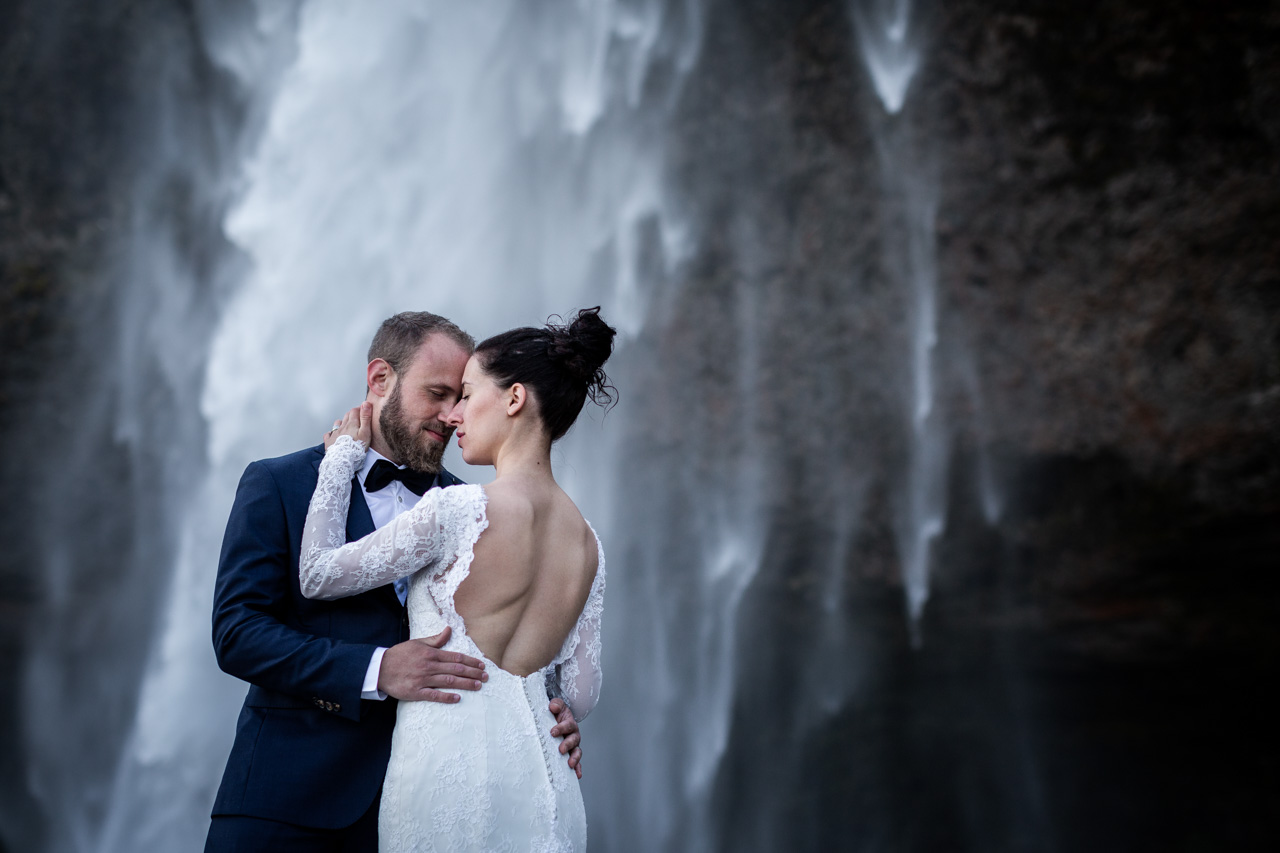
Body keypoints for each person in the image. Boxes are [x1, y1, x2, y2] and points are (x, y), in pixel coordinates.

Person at [205, 312, 582, 852]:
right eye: (437, 393)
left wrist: (554, 712)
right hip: (286, 805)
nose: (452, 416)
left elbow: (509, 641)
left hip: (426, 808)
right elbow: (237, 633)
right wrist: (376, 668)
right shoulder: (280, 483)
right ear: (380, 380)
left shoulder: (474, 510)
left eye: (462, 397)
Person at [298, 307, 615, 852]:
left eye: (467, 395)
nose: (454, 416)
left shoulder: (458, 510)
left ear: (514, 399)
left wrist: (340, 458)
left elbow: (317, 574)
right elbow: (580, 694)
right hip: (547, 785)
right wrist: (558, 715)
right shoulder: (589, 543)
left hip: (447, 774)